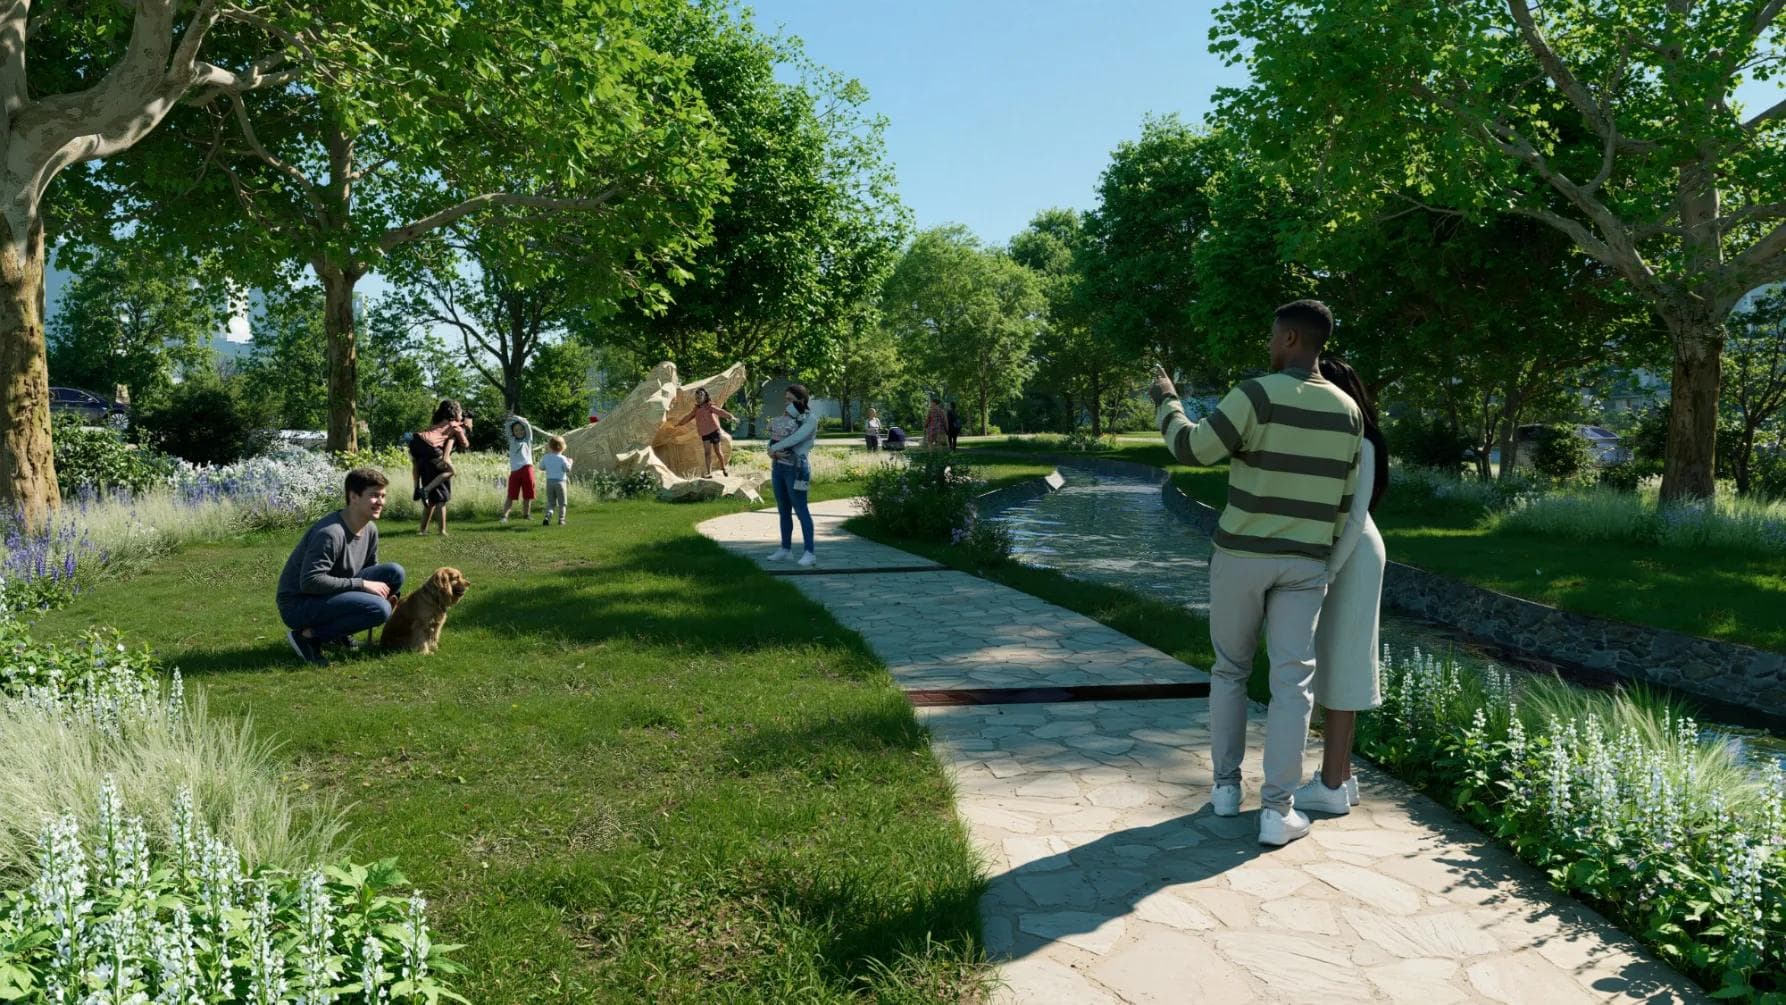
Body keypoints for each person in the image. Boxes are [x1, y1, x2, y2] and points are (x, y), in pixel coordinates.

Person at [1148, 299, 1363, 847]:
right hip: (1306, 562)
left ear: (1291, 338)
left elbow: (1193, 449)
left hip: (1242, 556)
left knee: (1230, 671)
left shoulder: (1256, 394)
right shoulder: (1348, 410)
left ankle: (1225, 789)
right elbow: (1342, 505)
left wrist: (1167, 401)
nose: (1269, 345)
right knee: (1293, 684)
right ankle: (1276, 812)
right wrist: (1320, 559)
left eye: (1273, 335)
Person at [1296, 356, 1389, 816]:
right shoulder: (1342, 436)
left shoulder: (1362, 442)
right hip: (1345, 554)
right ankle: (1342, 776)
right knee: (1337, 660)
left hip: (1352, 555)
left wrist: (1328, 571)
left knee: (1343, 665)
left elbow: (1354, 517)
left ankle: (1331, 784)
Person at [277, 468, 405, 666]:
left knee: (395, 573)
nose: (380, 502)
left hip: (329, 593)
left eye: (383, 496)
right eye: (374, 495)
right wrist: (362, 585)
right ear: (353, 497)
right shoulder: (330, 534)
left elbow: (371, 569)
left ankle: (339, 633)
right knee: (380, 609)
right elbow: (310, 582)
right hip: (299, 604)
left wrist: (377, 591)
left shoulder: (370, 528)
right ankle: (308, 637)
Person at [765, 382, 818, 567]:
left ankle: (809, 552)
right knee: (783, 509)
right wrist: (771, 450)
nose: (786, 403)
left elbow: (796, 438)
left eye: (790, 399)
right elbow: (775, 437)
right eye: (785, 400)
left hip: (797, 469)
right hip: (779, 467)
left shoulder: (810, 419)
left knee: (801, 509)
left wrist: (774, 448)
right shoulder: (786, 418)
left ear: (801, 400)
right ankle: (785, 549)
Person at [410, 400, 472, 536]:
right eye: (460, 412)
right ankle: (441, 530)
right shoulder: (455, 425)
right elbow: (465, 444)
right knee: (444, 489)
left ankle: (422, 529)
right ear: (455, 413)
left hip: (417, 443)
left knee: (431, 500)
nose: (462, 415)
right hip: (431, 448)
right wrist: (466, 428)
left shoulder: (437, 424)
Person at [674, 388, 736, 477]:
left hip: (714, 431)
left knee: (717, 451)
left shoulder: (709, 406)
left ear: (705, 397)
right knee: (707, 453)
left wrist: (730, 416)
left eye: (700, 396)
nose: (698, 398)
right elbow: (688, 417)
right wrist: (679, 423)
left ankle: (723, 467)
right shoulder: (696, 410)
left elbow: (720, 411)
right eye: (697, 397)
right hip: (705, 433)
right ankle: (709, 472)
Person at [500, 414, 536, 525]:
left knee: (528, 494)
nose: (519, 431)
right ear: (513, 432)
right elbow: (507, 427)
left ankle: (526, 515)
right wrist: (511, 418)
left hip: (527, 469)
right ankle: (504, 516)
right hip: (515, 471)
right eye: (516, 430)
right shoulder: (512, 440)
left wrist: (518, 418)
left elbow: (527, 426)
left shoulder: (528, 439)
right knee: (511, 495)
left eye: (521, 429)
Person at [540, 435, 573, 526]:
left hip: (549, 482)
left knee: (551, 503)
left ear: (550, 446)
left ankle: (548, 515)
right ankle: (561, 520)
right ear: (562, 447)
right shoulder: (562, 458)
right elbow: (567, 469)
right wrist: (570, 462)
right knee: (562, 503)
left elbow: (541, 467)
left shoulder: (546, 457)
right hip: (560, 482)